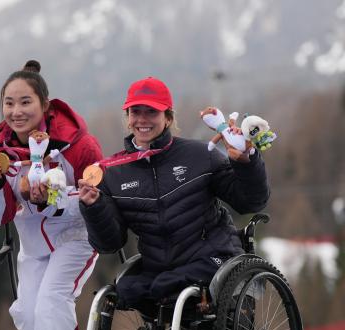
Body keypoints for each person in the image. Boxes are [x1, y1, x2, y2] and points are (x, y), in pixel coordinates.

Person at [78, 77, 269, 315]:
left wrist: (247, 163)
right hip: (158, 268)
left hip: (212, 258)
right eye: (135, 111)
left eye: (152, 111)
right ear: (128, 118)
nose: (142, 119)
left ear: (168, 118)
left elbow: (251, 201)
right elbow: (110, 244)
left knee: (165, 286)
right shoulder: (113, 173)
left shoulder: (201, 155)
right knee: (126, 288)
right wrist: (94, 206)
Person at [0, 60, 103, 330]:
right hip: (32, 246)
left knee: (51, 304)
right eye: (9, 103)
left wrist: (51, 200)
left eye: (25, 102)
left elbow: (98, 199)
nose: (16, 111)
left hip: (75, 238)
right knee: (29, 313)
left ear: (44, 105)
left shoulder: (79, 144)